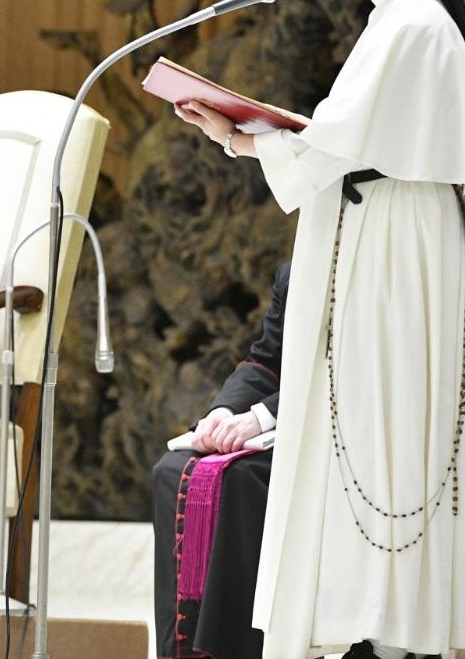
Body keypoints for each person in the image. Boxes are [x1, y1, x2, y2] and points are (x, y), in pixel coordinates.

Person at [175, 0, 465, 659]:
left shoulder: (412, 23)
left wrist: (241, 132)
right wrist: (239, 135)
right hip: (380, 239)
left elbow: (331, 146)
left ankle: (391, 622)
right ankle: (373, 616)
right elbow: (336, 145)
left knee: (386, 422)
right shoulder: (389, 20)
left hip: (398, 256)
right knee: (366, 424)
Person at [153, 262, 289, 659]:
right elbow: (265, 362)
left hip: (344, 435)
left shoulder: (376, 260)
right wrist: (225, 411)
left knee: (241, 478)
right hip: (283, 418)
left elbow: (354, 370)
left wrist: (262, 416)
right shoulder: (293, 270)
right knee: (170, 471)